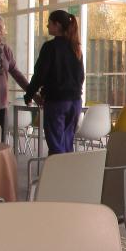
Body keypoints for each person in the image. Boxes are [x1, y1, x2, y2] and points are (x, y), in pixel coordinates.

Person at [24, 9, 84, 154]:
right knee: (67, 143)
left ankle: (57, 168)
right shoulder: (75, 47)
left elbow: (40, 75)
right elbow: (81, 76)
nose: (47, 26)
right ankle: (67, 168)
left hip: (57, 102)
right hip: (75, 102)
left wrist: (29, 95)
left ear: (57, 25)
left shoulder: (50, 47)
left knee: (56, 145)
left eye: (49, 23)